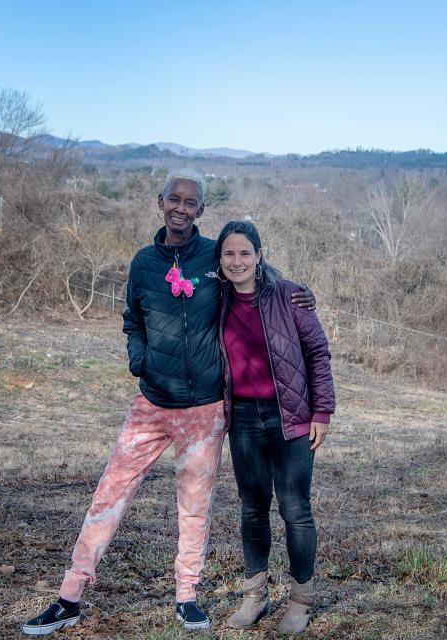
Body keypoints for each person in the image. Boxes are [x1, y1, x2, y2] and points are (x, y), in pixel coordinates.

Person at [21, 170, 314, 636]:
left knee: (194, 507)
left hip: (203, 412)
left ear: (201, 209)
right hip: (152, 404)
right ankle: (69, 596)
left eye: (191, 201)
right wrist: (140, 360)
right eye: (174, 199)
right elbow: (132, 318)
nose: (181, 207)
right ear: (161, 202)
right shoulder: (142, 263)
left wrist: (298, 294)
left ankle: (187, 597)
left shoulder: (214, 255)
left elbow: (252, 279)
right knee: (108, 495)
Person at [215, 219, 335, 635]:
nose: (237, 261)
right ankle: (255, 596)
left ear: (259, 255)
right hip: (244, 420)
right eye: (228, 253)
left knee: (295, 510)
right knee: (252, 509)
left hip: (292, 419)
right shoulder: (215, 300)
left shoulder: (288, 296)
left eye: (245, 253)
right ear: (220, 259)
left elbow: (318, 353)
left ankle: (301, 600)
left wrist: (322, 413)